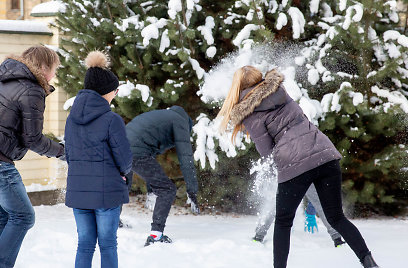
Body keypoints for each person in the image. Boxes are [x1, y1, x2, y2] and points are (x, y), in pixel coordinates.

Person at [217, 66, 379, 268]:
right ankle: (369, 261)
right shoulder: (280, 93)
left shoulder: (250, 113)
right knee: (336, 217)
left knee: (283, 222)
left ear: (238, 87)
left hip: (294, 165)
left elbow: (267, 151)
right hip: (326, 155)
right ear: (259, 78)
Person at [0, 45, 65, 267]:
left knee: (3, 215)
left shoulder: (9, 80)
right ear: (44, 67)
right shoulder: (32, 89)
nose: (55, 74)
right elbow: (33, 139)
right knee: (23, 217)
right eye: (55, 68)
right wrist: (62, 152)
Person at [64, 51, 132, 268]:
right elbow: (124, 158)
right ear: (106, 92)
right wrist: (124, 174)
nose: (116, 94)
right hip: (106, 193)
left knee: (84, 245)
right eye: (115, 91)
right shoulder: (111, 119)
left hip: (78, 191)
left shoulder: (71, 120)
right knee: (108, 244)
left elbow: (69, 155)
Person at [124, 106, 200, 246]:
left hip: (120, 147)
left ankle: (111, 222)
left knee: (123, 184)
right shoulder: (180, 122)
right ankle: (156, 235)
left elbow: (148, 152)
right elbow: (186, 158)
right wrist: (192, 190)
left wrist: (151, 189)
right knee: (167, 190)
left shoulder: (163, 117)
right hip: (135, 151)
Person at [253, 184, 346, 248]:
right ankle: (336, 238)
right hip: (301, 171)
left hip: (292, 172)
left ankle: (259, 236)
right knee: (320, 204)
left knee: (277, 203)